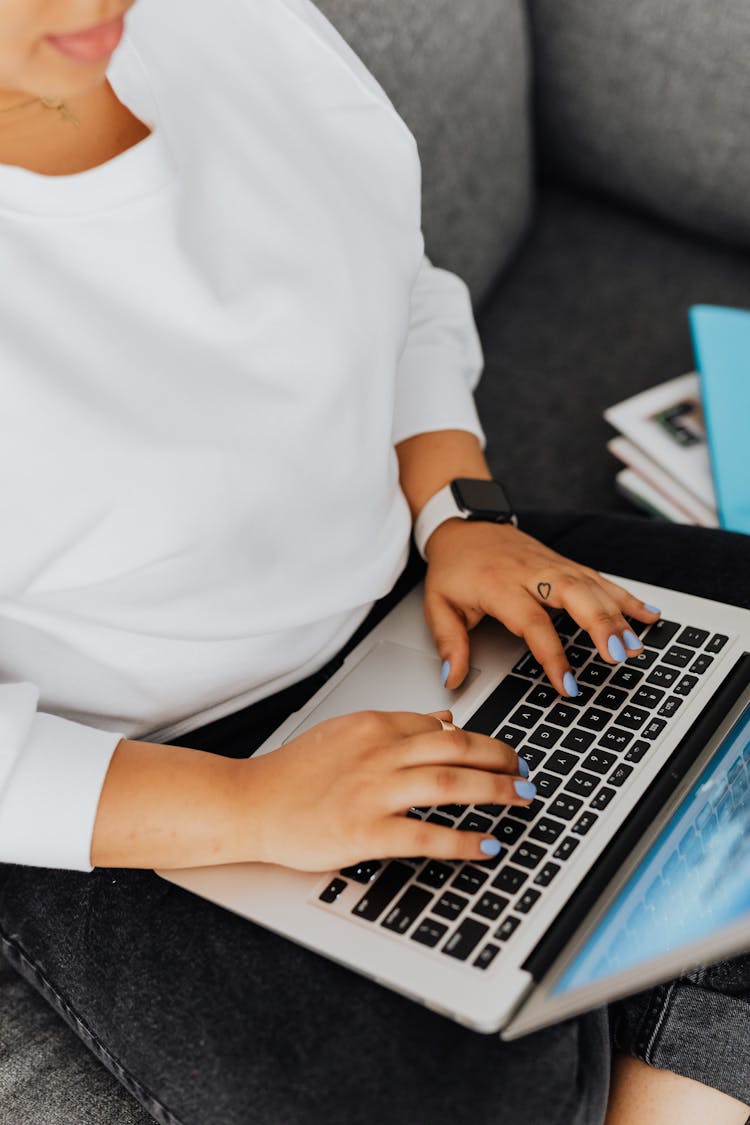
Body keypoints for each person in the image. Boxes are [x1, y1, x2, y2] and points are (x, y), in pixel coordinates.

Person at [0, 2, 747, 1123]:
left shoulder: (228, 23)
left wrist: (460, 515)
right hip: (137, 766)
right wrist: (250, 808)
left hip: (416, 595)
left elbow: (396, 278)